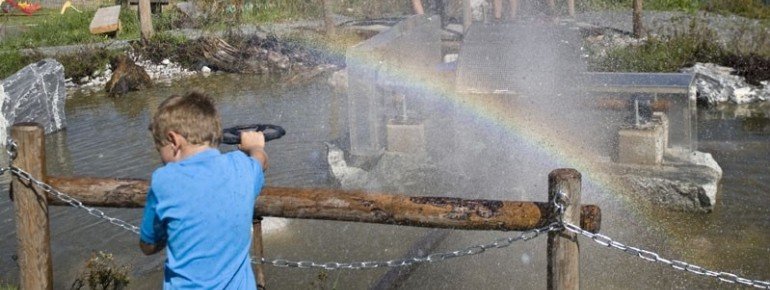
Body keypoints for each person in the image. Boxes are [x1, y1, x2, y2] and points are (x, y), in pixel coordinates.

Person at [139, 91, 268, 289]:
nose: (161, 160)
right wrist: (255, 146)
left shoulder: (164, 180)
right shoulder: (241, 167)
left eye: (160, 150)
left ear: (173, 141)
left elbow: (148, 245)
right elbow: (261, 160)